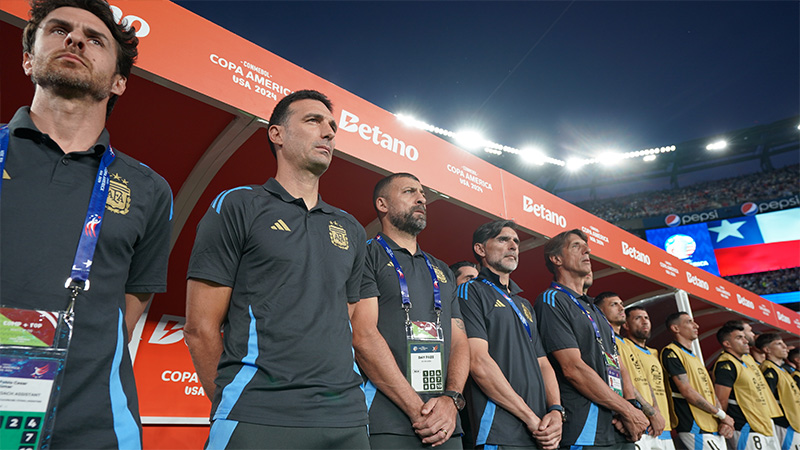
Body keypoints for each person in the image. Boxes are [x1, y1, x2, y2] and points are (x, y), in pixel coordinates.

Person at [0, 1, 172, 448]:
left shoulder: (150, 189)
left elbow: (131, 302)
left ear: (118, 82)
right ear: (28, 59)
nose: (75, 39)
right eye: (58, 30)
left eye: (95, 39)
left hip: (95, 429)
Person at [184, 90, 369, 449]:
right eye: (313, 121)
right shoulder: (239, 204)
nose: (329, 132)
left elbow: (342, 318)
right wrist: (231, 405)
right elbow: (200, 328)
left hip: (346, 419)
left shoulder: (351, 229)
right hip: (259, 414)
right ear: (277, 134)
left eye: (332, 126)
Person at [351, 173, 469, 449]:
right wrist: (419, 409)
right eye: (409, 192)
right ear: (382, 204)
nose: (421, 199)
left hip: (446, 424)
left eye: (422, 193)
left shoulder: (442, 269)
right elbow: (362, 336)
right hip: (386, 421)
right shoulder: (367, 255)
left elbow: (460, 341)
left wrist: (451, 400)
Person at [534, 229, 648, 450]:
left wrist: (631, 405)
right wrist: (627, 410)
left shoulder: (595, 309)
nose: (587, 251)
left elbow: (616, 361)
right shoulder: (552, 300)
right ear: (556, 259)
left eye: (586, 247)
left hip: (618, 425)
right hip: (586, 428)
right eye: (576, 246)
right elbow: (572, 368)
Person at [458, 220, 563, 449]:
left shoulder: (523, 302)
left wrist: (555, 410)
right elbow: (478, 362)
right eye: (503, 239)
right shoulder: (470, 291)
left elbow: (543, 363)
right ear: (480, 249)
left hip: (540, 430)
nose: (513, 245)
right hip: (500, 431)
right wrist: (530, 418)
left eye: (516, 241)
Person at [594, 294, 668, 450]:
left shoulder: (627, 344)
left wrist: (656, 410)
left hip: (649, 422)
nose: (622, 308)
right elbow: (619, 379)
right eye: (614, 304)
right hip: (633, 422)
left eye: (622, 303)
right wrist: (650, 414)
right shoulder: (605, 340)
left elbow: (644, 380)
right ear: (599, 311)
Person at [661, 312, 734, 450]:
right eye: (689, 322)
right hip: (694, 425)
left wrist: (723, 419)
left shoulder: (694, 357)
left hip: (713, 425)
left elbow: (710, 392)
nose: (696, 325)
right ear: (675, 328)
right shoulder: (671, 352)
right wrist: (721, 414)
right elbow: (687, 391)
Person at [712, 322, 779, 450]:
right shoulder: (726, 364)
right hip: (746, 426)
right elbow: (721, 399)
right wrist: (724, 421)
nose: (745, 341)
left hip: (762, 424)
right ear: (727, 344)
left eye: (744, 337)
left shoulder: (745, 361)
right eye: (739, 338)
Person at [623, 306, 676, 450]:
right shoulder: (623, 345)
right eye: (637, 318)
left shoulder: (655, 353)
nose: (644, 321)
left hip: (664, 427)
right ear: (626, 324)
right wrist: (652, 414)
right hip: (643, 427)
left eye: (646, 318)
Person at [756, 333, 800, 450]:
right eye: (779, 344)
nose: (785, 346)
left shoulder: (782, 370)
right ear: (767, 349)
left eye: (783, 343)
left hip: (794, 423)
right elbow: (767, 399)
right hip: (785, 425)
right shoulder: (769, 371)